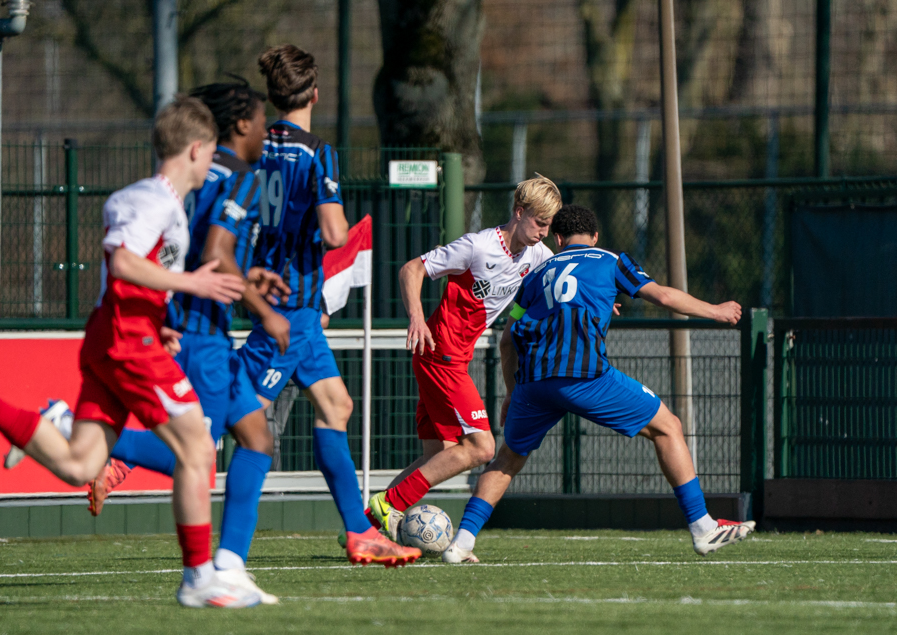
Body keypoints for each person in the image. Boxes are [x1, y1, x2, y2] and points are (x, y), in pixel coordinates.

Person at [0, 97, 270, 607]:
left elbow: (131, 275)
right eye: (210, 155)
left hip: (125, 335)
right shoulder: (152, 200)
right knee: (198, 449)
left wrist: (160, 323)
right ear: (197, 150)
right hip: (124, 340)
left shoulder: (167, 206)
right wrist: (190, 286)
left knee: (78, 463)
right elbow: (122, 264)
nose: (213, 165)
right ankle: (200, 576)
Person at [71, 78, 291, 591]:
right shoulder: (239, 178)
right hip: (198, 334)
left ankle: (231, 561)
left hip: (202, 324)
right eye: (261, 121)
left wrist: (245, 280)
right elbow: (215, 251)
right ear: (240, 125)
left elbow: (185, 251)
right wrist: (264, 310)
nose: (266, 130)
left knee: (257, 438)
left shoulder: (194, 174)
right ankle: (109, 447)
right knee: (197, 456)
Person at [441, 204, 755, 563]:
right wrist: (715, 310)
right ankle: (703, 528)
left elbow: (508, 338)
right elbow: (664, 296)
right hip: (585, 377)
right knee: (669, 427)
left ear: (558, 239)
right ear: (595, 236)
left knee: (508, 459)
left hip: (533, 384)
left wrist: (512, 394)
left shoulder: (536, 274)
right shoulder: (612, 260)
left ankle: (461, 543)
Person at [236, 44, 420, 567]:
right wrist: (335, 229)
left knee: (337, 406)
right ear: (314, 94)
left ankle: (360, 531)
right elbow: (334, 229)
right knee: (231, 413)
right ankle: (123, 459)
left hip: (268, 289)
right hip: (293, 301)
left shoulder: (253, 145)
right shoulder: (317, 151)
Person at [366, 176, 561, 540]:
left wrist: (598, 297)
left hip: (450, 359)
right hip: (441, 354)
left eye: (550, 226)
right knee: (481, 447)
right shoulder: (477, 246)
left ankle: (368, 529)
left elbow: (564, 273)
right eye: (540, 223)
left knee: (438, 454)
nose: (545, 233)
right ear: (519, 213)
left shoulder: (536, 255)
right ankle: (387, 504)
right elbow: (412, 269)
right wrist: (416, 318)